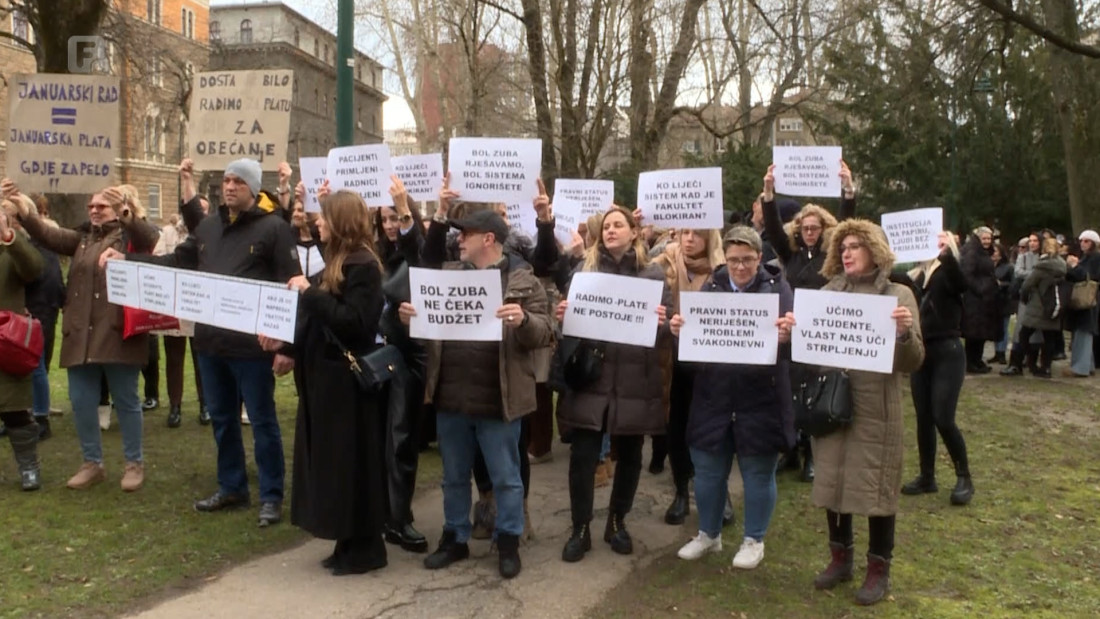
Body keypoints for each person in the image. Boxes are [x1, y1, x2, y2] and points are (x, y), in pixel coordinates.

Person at [102, 158, 301, 526]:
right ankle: (232, 487)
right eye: (226, 180)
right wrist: (126, 261)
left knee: (262, 422)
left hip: (254, 349)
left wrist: (287, 347)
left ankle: (271, 495)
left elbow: (292, 285)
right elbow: (177, 260)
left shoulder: (274, 229)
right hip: (210, 345)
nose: (229, 187)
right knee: (223, 419)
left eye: (238, 182)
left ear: (254, 189)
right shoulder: (208, 228)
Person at [399, 208, 552, 580]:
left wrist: (524, 321)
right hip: (451, 395)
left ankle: (509, 539)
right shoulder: (448, 276)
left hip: (499, 399)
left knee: (505, 477)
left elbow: (547, 331)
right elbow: (429, 331)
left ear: (489, 239)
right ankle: (455, 537)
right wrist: (411, 319)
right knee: (453, 475)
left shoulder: (522, 280)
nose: (458, 240)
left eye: (465, 234)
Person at [261, 190, 390, 575]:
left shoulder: (364, 265)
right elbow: (319, 322)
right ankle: (345, 540)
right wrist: (287, 346)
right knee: (335, 464)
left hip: (348, 385)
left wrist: (309, 295)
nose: (317, 222)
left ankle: (365, 547)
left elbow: (355, 323)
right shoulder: (337, 260)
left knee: (352, 463)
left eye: (324, 217)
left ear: (341, 221)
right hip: (325, 379)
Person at [5, 180, 159, 492]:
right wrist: (26, 212)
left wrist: (125, 212)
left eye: (101, 206)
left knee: (126, 400)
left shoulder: (129, 234)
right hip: (81, 334)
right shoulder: (83, 239)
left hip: (117, 333)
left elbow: (149, 238)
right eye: (91, 206)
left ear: (116, 209)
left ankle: (133, 463)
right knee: (82, 401)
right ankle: (92, 463)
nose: (93, 211)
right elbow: (49, 236)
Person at [809, 218, 924, 606]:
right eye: (842, 247)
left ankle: (879, 569)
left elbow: (913, 361)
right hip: (833, 403)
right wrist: (796, 331)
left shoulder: (899, 296)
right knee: (835, 480)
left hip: (876, 407)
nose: (847, 252)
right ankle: (839, 558)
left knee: (876, 487)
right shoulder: (827, 292)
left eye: (855, 245)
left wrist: (904, 334)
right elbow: (811, 352)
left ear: (874, 250)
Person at [669, 226, 795, 569]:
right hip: (714, 399)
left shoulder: (779, 290)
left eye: (748, 259)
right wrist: (680, 334)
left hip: (761, 400)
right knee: (708, 472)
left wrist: (786, 338)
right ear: (724, 258)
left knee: (757, 472)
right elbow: (693, 356)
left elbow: (791, 352)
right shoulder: (711, 288)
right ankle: (709, 534)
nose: (740, 267)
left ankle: (754, 539)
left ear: (759, 258)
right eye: (734, 259)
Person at [555, 206, 671, 563]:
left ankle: (618, 521)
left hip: (636, 378)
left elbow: (662, 333)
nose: (611, 230)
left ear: (634, 232)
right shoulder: (585, 271)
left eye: (619, 225)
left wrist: (663, 323)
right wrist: (564, 317)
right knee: (584, 455)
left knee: (632, 455)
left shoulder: (653, 276)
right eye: (606, 226)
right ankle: (581, 528)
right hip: (593, 378)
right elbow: (570, 327)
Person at [762, 161, 857, 482]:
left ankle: (812, 456)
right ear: (799, 230)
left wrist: (847, 189)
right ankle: (790, 449)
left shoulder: (833, 258)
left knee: (816, 389)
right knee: (791, 391)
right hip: (795, 329)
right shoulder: (792, 255)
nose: (810, 232)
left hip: (823, 332)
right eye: (805, 228)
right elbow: (773, 230)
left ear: (824, 229)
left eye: (815, 227)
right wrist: (768, 194)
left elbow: (846, 226)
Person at [370, 176, 430, 553]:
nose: (391, 225)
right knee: (376, 438)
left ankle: (399, 517)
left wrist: (406, 210)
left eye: (397, 218)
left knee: (402, 439)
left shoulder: (416, 252)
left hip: (406, 358)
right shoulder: (372, 254)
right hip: (374, 358)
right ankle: (377, 511)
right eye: (386, 219)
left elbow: (420, 256)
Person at [651, 226, 724, 525]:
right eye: (684, 233)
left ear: (710, 238)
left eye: (697, 233)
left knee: (715, 430)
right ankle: (681, 491)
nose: (690, 239)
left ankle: (721, 496)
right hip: (673, 359)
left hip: (712, 364)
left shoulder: (723, 271)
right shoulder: (662, 263)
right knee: (676, 427)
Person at [901, 232, 975, 505]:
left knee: (943, 416)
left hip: (948, 349)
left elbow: (962, 284)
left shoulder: (948, 269)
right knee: (923, 417)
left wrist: (946, 253)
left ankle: (964, 476)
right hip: (923, 351)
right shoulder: (916, 275)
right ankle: (927, 475)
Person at [0, 198, 45, 490]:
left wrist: (8, 238)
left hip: (6, 343)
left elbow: (34, 268)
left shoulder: (11, 250)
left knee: (15, 410)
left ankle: (29, 468)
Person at [19, 194, 65, 440]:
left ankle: (40, 417)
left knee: (36, 367)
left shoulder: (41, 243)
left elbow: (47, 279)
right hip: (19, 311)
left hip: (38, 310)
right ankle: (17, 416)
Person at [1004, 237, 1067, 379]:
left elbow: (1027, 284)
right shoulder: (1062, 266)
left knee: (1024, 334)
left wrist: (1025, 297)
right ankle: (1046, 368)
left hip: (1037, 306)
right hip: (1053, 305)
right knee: (1049, 338)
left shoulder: (1042, 266)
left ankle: (1024, 364)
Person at [960, 227, 1000, 373]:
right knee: (973, 333)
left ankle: (977, 360)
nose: (987, 241)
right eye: (984, 238)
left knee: (981, 332)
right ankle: (971, 362)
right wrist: (981, 288)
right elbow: (967, 274)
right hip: (975, 299)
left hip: (985, 299)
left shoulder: (984, 253)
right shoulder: (972, 252)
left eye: (989, 239)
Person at [1001, 233, 1042, 376]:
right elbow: (1018, 273)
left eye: (1035, 241)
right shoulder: (1023, 257)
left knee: (1037, 332)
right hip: (1025, 297)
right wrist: (1035, 274)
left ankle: (1032, 363)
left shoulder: (1044, 258)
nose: (1032, 244)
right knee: (1020, 329)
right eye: (1030, 241)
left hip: (1041, 299)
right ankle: (1015, 363)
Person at [1063, 231, 1100, 377]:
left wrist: (1075, 266)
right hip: (1084, 300)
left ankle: (1080, 367)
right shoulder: (1086, 258)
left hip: (1089, 299)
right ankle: (1087, 365)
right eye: (1081, 241)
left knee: (1083, 331)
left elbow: (1089, 276)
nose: (1083, 244)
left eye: (1086, 241)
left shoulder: (1096, 258)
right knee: (1081, 331)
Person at [989, 242, 1015, 365]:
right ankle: (996, 352)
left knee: (1004, 327)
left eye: (995, 251)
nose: (993, 254)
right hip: (993, 301)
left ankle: (1002, 352)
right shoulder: (989, 266)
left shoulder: (1008, 267)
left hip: (1004, 301)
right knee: (995, 327)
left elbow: (1013, 284)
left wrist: (1001, 284)